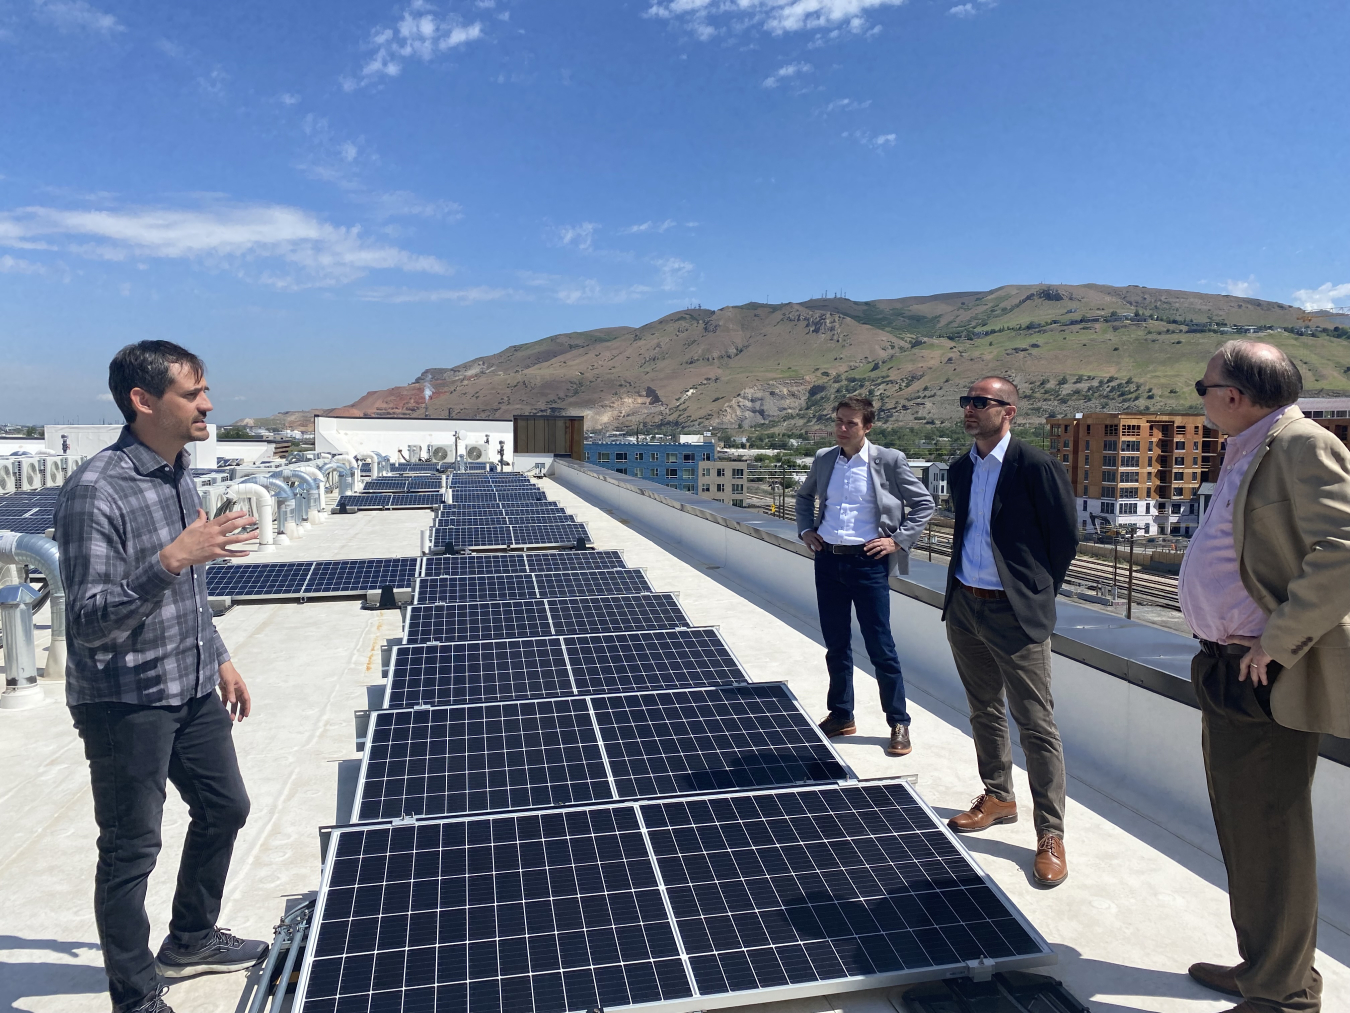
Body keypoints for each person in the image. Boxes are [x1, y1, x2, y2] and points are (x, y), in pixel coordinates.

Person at [56, 341, 267, 1013]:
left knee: (226, 806)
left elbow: (188, 593)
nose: (209, 404)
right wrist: (171, 558)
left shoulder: (180, 474)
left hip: (191, 681)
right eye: (194, 393)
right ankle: (136, 994)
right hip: (126, 702)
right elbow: (88, 620)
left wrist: (222, 654)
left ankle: (191, 938)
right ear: (144, 402)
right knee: (130, 849)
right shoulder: (96, 490)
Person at [1179, 340, 1346, 1013]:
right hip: (1225, 665)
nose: (1202, 395)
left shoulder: (1301, 444)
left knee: (1271, 830)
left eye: (1204, 384)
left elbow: (1344, 549)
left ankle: (1283, 994)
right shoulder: (1250, 447)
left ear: (1237, 395)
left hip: (1265, 671)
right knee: (1244, 826)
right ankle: (1269, 967)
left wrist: (1276, 642)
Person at [941, 376, 1078, 887]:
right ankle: (998, 795)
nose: (971, 409)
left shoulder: (1035, 466)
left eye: (982, 402)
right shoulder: (960, 468)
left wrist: (1033, 593)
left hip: (1014, 615)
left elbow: (1064, 537)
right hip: (965, 607)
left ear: (1009, 411)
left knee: (1036, 724)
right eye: (967, 401)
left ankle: (1051, 833)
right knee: (982, 710)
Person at [795, 395, 935, 757]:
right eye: (838, 422)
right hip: (827, 560)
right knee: (836, 644)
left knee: (880, 646)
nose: (841, 429)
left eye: (850, 423)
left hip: (868, 564)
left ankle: (898, 722)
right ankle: (841, 715)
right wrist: (805, 530)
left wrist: (898, 541)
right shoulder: (825, 458)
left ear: (867, 426)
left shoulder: (889, 460)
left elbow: (924, 504)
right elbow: (803, 497)